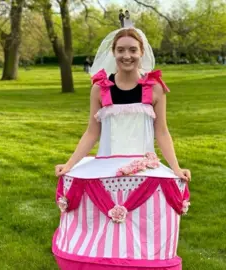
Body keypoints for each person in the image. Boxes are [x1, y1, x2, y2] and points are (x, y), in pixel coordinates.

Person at [52, 25, 191, 270]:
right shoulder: (100, 88)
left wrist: (176, 167)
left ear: (142, 52)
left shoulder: (154, 88)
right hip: (106, 167)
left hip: (142, 168)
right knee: (103, 226)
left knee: (142, 227)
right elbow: (91, 132)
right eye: (121, 50)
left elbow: (162, 132)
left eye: (132, 50)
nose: (127, 55)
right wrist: (70, 164)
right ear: (113, 52)